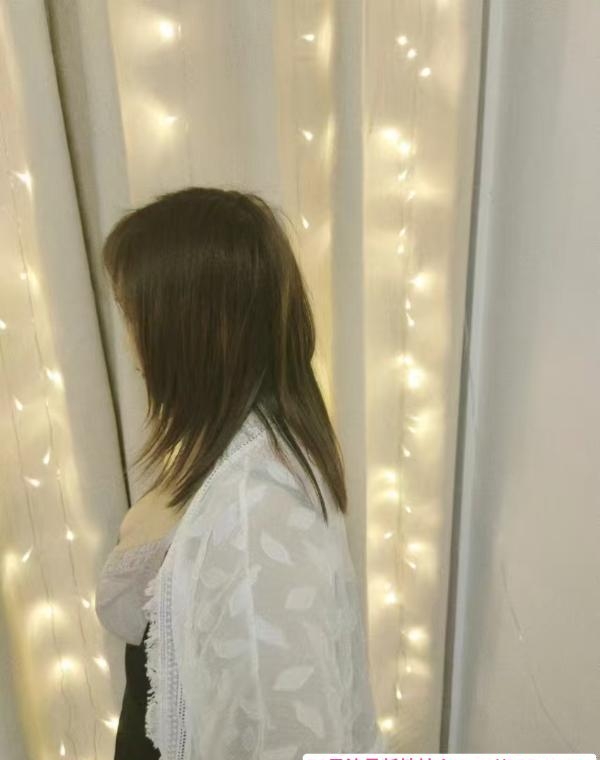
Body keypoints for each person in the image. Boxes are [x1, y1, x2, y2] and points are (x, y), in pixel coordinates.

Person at [95, 187, 386, 759]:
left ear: (192, 329)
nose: (130, 343)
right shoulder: (236, 452)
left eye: (135, 316)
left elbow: (291, 736)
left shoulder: (257, 513)